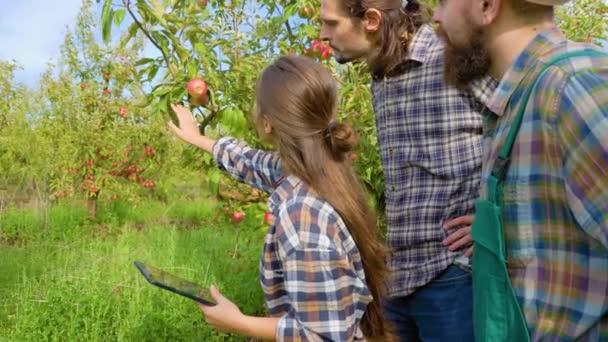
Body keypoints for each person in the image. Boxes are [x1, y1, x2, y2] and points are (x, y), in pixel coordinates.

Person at [167, 56, 394, 341]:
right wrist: (200, 139)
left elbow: (323, 335)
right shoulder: (326, 170)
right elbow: (253, 162)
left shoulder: (301, 214)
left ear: (268, 123)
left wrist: (239, 323)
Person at [319, 0, 496, 340]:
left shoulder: (453, 56)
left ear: (370, 20)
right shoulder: (381, 73)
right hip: (398, 274)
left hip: (453, 273)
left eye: (331, 23)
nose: (323, 34)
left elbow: (524, 128)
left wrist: (498, 217)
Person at [433, 0, 608, 339]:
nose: (436, 18)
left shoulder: (569, 86)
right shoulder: (515, 104)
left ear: (486, 6)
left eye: (441, 2)